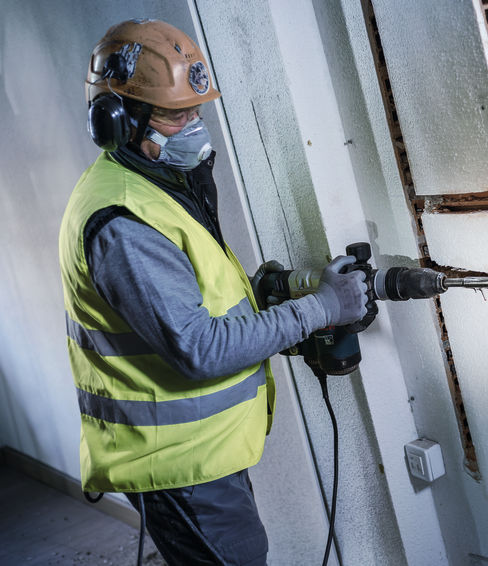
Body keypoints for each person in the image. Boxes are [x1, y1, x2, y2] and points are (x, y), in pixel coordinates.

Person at [58, 19, 367, 566]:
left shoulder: (156, 185)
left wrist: (262, 297)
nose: (194, 127)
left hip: (201, 454)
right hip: (173, 464)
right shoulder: (124, 223)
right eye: (175, 115)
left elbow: (188, 298)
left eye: (196, 111)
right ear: (116, 120)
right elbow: (199, 348)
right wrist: (320, 307)